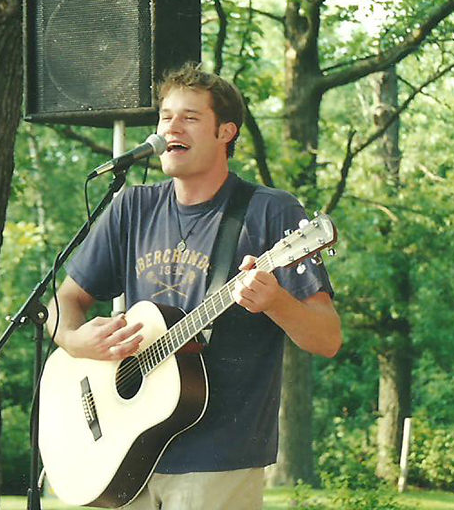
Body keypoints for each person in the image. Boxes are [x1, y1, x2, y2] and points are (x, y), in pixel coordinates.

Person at [47, 63, 342, 509]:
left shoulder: (271, 213)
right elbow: (63, 301)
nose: (170, 128)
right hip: (122, 456)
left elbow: (328, 338)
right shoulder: (132, 206)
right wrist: (73, 339)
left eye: (189, 117)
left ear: (226, 132)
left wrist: (276, 301)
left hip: (219, 458)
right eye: (165, 116)